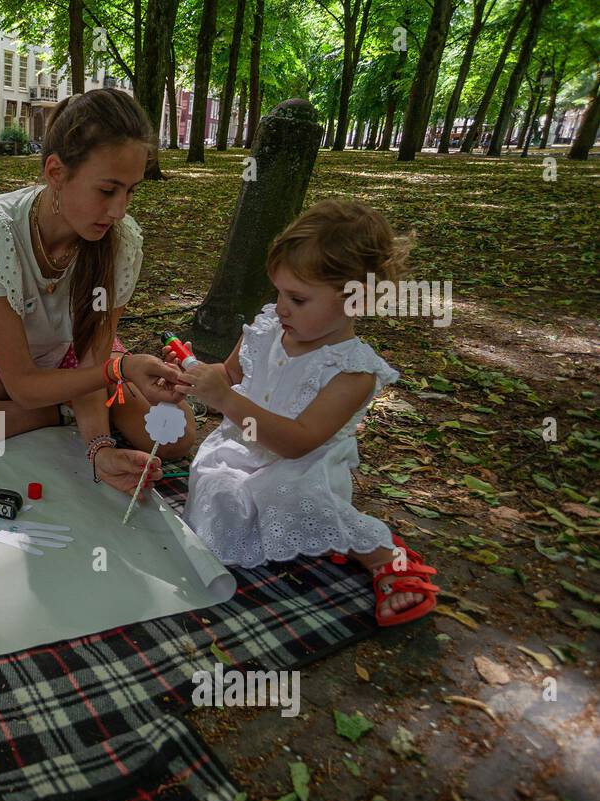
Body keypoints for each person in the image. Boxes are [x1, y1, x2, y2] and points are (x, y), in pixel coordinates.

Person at [0, 88, 193, 500]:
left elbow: (91, 356)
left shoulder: (121, 244)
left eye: (131, 191)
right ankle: (58, 413)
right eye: (107, 190)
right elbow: (23, 385)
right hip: (0, 369)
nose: (119, 210)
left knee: (176, 437)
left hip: (83, 366)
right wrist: (115, 376)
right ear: (56, 173)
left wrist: (99, 448)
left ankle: (72, 411)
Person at [172, 200, 440, 627]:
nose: (280, 307)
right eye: (278, 292)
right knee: (217, 494)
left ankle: (384, 556)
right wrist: (189, 378)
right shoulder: (266, 329)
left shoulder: (351, 371)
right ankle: (305, 537)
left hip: (299, 469)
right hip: (239, 449)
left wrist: (224, 399)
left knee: (293, 497)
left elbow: (296, 443)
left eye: (297, 298)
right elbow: (229, 373)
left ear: (357, 299)